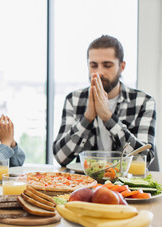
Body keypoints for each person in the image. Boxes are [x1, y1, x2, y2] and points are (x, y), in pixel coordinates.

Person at [53, 35, 156, 167]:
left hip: (125, 184)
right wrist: (87, 118)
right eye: (93, 65)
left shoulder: (144, 102)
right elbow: (60, 157)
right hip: (86, 183)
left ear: (122, 66)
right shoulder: (74, 99)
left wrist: (108, 117)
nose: (99, 72)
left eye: (107, 65)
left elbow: (143, 160)